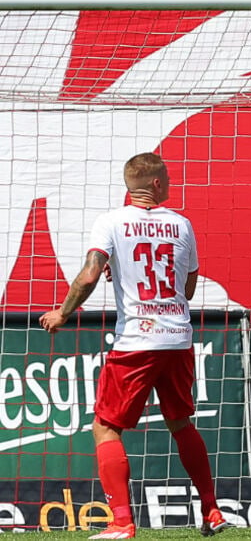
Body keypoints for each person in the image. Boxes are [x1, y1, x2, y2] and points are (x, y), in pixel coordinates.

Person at [39, 153, 230, 540]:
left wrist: (62, 312)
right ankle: (211, 511)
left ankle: (122, 522)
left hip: (137, 341)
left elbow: (91, 274)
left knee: (106, 427)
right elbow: (187, 289)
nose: (172, 183)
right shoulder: (182, 224)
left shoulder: (110, 222)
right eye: (169, 178)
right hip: (178, 338)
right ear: (157, 185)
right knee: (180, 423)